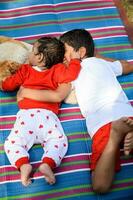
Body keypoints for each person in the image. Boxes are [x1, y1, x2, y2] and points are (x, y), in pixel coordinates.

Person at [17, 29, 133, 193]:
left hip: (103, 123)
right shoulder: (102, 64)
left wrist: (25, 92)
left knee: (99, 185)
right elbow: (127, 65)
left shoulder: (71, 72)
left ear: (81, 52)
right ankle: (128, 132)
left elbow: (57, 95)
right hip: (127, 113)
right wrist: (96, 56)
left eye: (64, 53)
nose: (61, 58)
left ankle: (115, 138)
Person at [0, 36, 81, 187]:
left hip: (26, 116)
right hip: (47, 116)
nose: (29, 54)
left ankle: (23, 164)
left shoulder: (25, 70)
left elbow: (8, 85)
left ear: (40, 58)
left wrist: (4, 83)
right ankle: (48, 164)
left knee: (12, 143)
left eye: (32, 51)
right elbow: (71, 75)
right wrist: (76, 61)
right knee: (58, 141)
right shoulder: (58, 70)